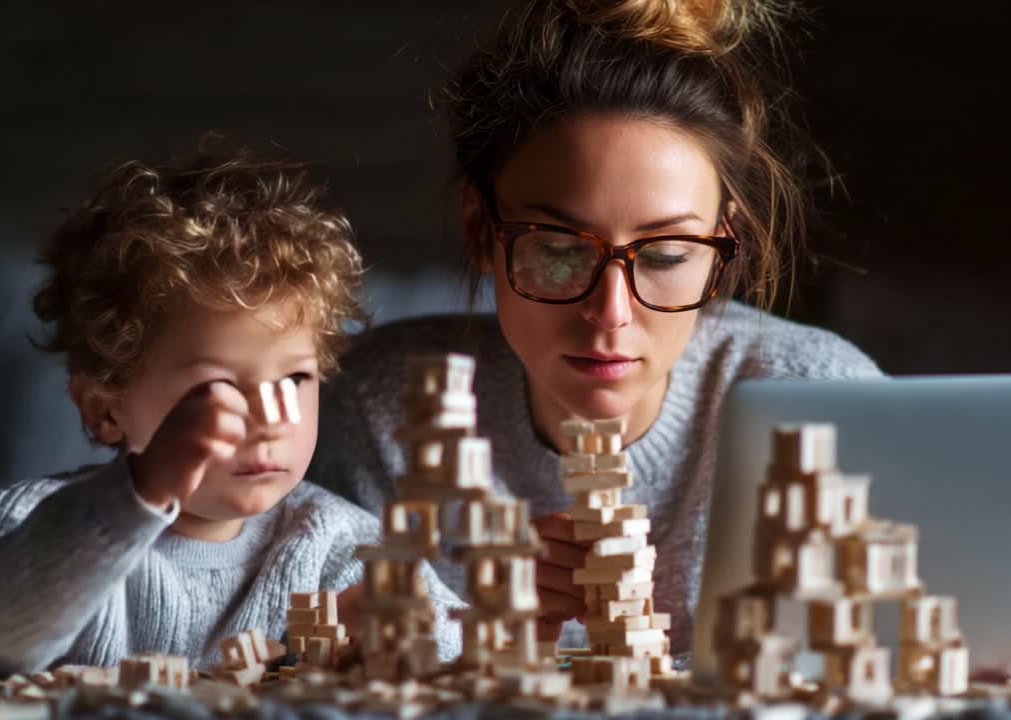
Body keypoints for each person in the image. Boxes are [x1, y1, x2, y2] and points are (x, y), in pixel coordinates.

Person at [308, 0, 883, 657]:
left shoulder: (824, 400)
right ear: (480, 230)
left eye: (666, 255)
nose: (610, 313)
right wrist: (482, 635)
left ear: (724, 240)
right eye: (558, 250)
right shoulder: (377, 415)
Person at [0, 144, 462, 673]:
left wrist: (406, 635)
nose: (267, 420)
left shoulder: (336, 543)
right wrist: (140, 491)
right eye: (215, 389)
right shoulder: (27, 520)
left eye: (295, 378)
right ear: (105, 409)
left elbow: (463, 651)